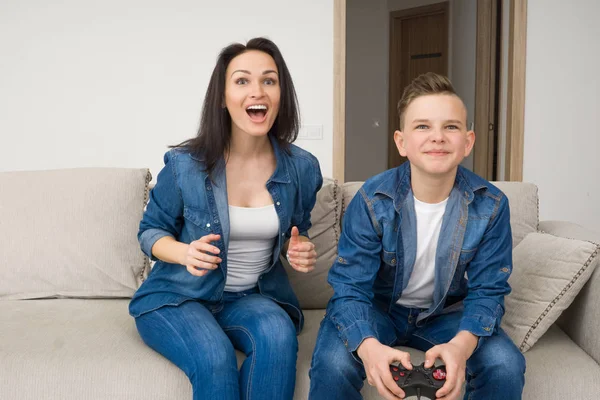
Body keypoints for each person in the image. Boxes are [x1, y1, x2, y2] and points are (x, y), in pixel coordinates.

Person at [308, 72, 525, 400]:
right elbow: (350, 290)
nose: (437, 137)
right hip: (378, 309)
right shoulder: (372, 200)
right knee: (333, 363)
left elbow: (488, 292)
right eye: (422, 126)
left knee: (506, 363)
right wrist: (368, 348)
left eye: (450, 126)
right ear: (401, 142)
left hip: (447, 314)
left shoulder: (491, 205)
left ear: (467, 142)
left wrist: (460, 348)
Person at [129, 37, 323, 400]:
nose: (257, 91)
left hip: (250, 297)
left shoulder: (302, 168)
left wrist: (303, 249)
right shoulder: (186, 164)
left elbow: (299, 231)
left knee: (278, 335)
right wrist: (184, 253)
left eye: (269, 80)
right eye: (242, 81)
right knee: (215, 356)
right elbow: (150, 232)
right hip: (178, 296)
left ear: (281, 93)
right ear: (222, 97)